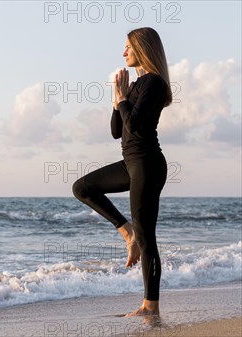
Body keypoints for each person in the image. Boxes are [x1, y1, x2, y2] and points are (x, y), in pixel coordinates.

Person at [72, 27, 173, 316]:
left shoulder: (153, 83)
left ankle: (150, 306)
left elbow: (136, 126)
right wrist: (118, 99)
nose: (123, 52)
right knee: (82, 187)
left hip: (147, 164)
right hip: (131, 163)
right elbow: (117, 131)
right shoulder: (136, 86)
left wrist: (123, 98)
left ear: (142, 48)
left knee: (147, 237)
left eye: (128, 46)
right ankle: (125, 230)